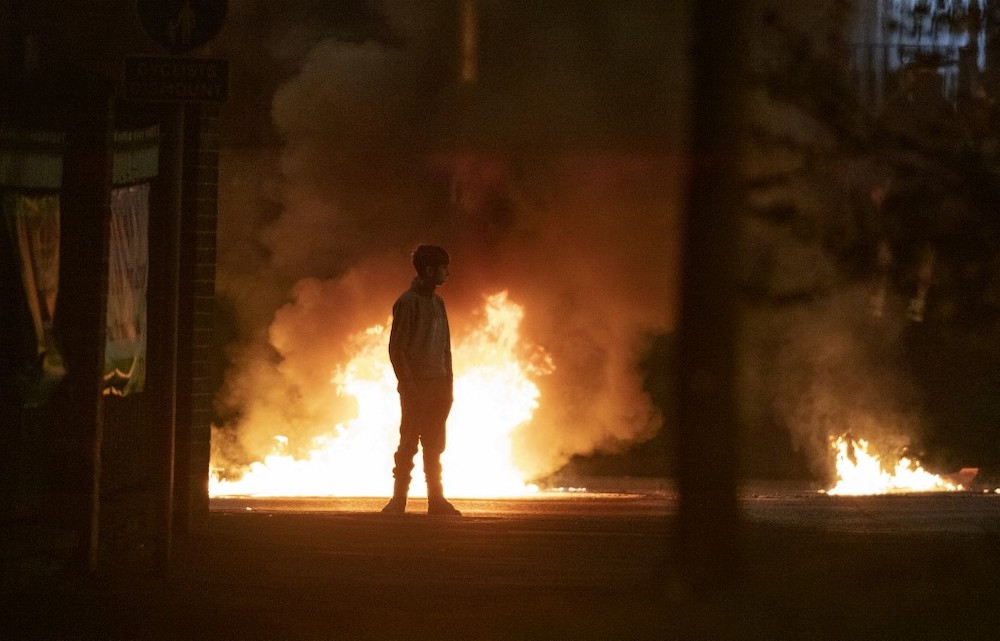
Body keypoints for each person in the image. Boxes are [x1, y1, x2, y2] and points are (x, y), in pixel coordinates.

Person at [381, 244, 462, 516]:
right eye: (443, 268)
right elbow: (397, 349)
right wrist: (408, 386)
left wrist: (449, 383)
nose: (447, 273)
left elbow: (446, 348)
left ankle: (436, 500)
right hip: (417, 386)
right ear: (429, 270)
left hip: (439, 385)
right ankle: (398, 500)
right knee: (408, 443)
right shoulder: (407, 303)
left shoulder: (438, 303)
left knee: (434, 444)